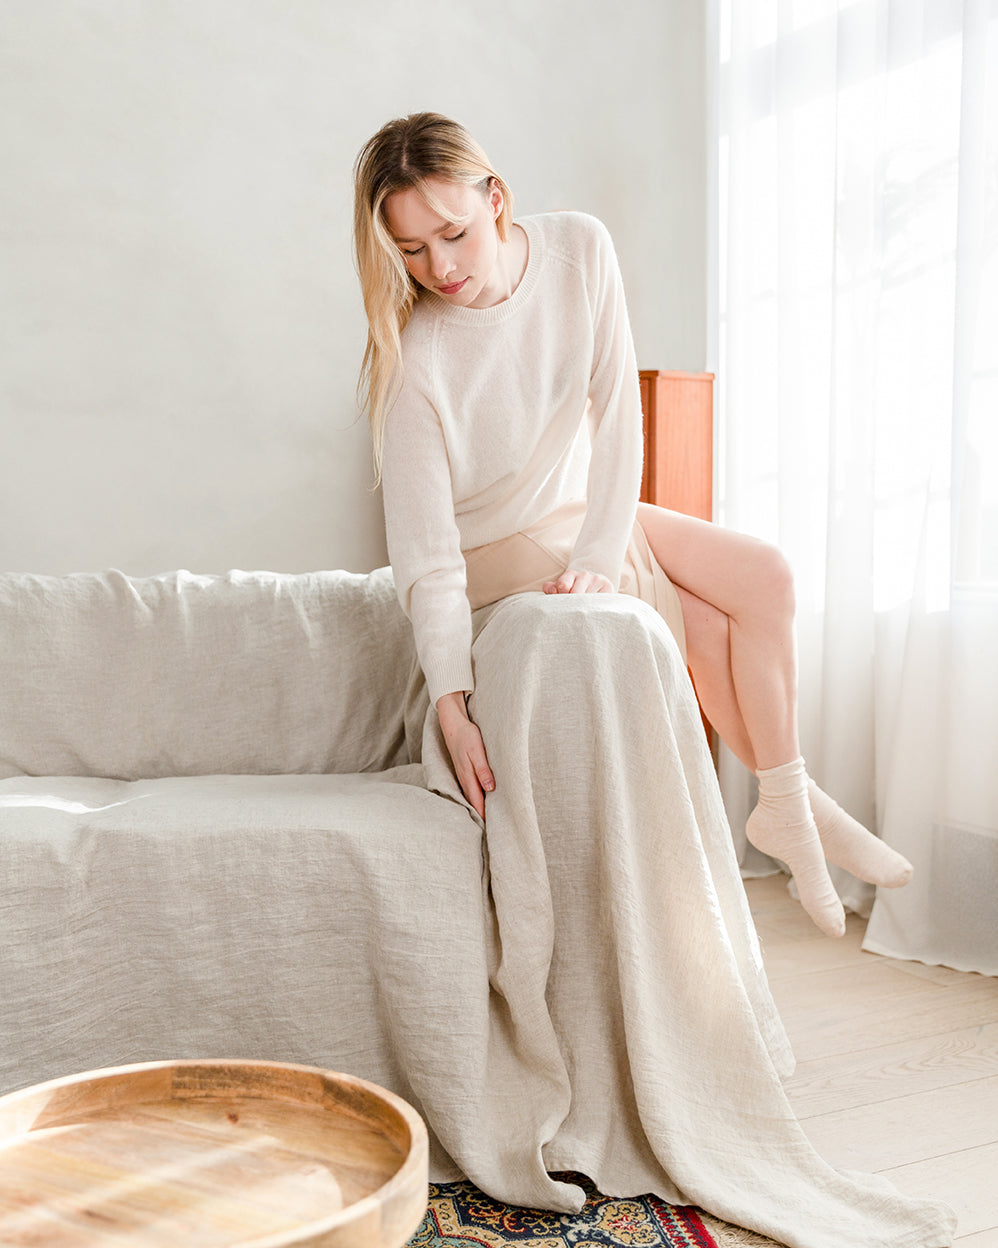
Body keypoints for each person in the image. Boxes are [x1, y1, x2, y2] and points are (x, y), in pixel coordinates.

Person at [352, 111, 913, 940]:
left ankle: (787, 803)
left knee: (766, 578)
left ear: (496, 199)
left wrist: (600, 551)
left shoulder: (579, 250)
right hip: (492, 553)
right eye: (410, 250)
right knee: (713, 628)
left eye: (453, 234)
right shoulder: (418, 361)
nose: (439, 267)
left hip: (575, 511)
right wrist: (451, 700)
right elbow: (428, 559)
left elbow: (618, 414)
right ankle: (793, 805)